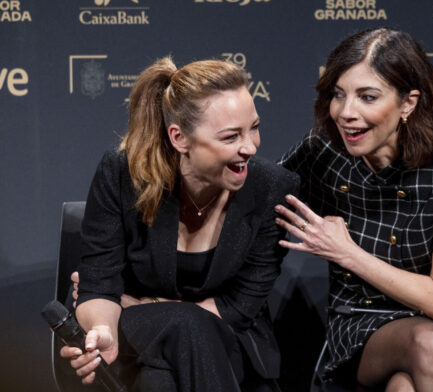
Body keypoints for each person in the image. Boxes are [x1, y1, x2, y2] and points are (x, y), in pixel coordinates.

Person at [275, 28, 433, 391]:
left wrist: (347, 253)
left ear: (408, 103)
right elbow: (260, 200)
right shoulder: (322, 153)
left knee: (404, 387)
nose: (346, 113)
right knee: (423, 341)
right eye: (338, 95)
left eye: (367, 97)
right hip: (365, 321)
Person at [59, 56, 299, 391]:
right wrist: (102, 329)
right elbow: (98, 285)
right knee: (184, 326)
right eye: (231, 137)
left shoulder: (272, 188)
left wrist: (149, 304)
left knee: (160, 375)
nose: (250, 147)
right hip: (132, 332)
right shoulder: (121, 176)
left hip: (230, 344)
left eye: (254, 127)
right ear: (179, 138)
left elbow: (239, 308)